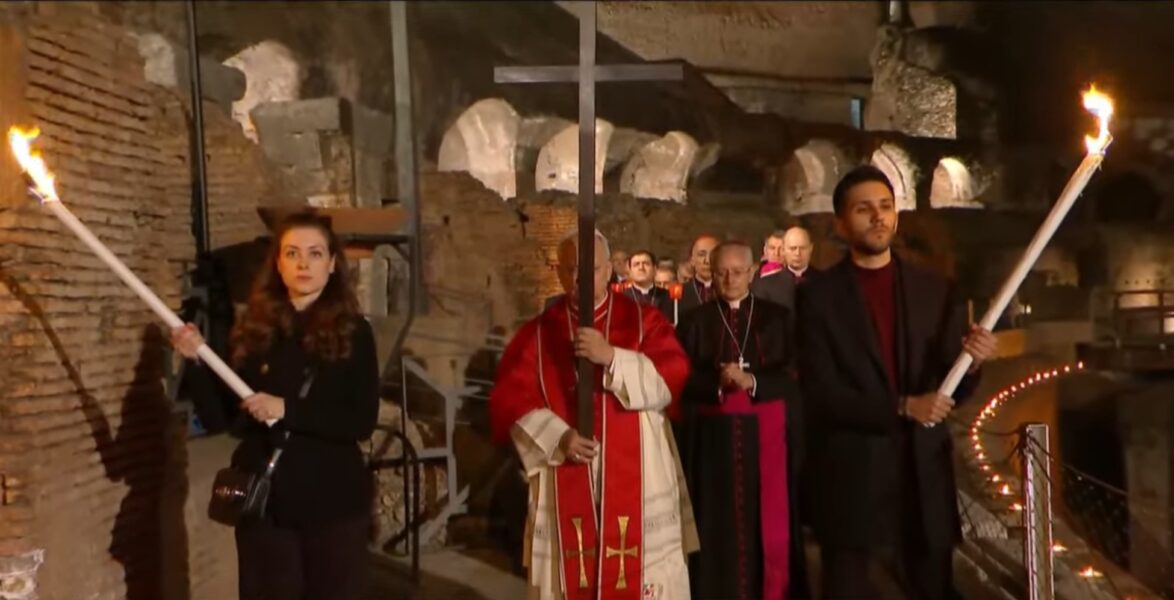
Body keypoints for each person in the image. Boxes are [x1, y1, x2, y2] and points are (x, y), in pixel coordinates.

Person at [796, 166, 997, 600]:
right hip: (852, 476)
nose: (878, 217)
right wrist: (902, 406)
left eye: (886, 207)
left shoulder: (935, 289)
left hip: (922, 478)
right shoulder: (817, 297)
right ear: (840, 223)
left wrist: (972, 363)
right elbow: (820, 393)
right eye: (864, 209)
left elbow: (951, 388)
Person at [171, 211, 379, 599]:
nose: (303, 263)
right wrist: (197, 362)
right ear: (278, 264)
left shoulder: (355, 332)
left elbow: (360, 420)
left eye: (315, 254)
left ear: (332, 264)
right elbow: (224, 421)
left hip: (332, 504)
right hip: (266, 506)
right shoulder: (256, 331)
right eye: (292, 253)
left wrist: (287, 410)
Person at [490, 229, 695, 600]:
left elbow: (672, 378)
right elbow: (511, 400)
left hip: (638, 473)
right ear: (558, 272)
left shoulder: (644, 320)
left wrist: (613, 357)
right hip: (565, 467)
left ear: (610, 269)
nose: (582, 280)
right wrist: (558, 437)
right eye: (571, 270)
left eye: (594, 269)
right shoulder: (538, 333)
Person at [676, 241, 809, 600]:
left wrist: (754, 382)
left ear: (752, 272)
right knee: (714, 528)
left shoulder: (778, 318)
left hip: (767, 443)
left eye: (737, 271)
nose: (729, 278)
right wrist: (715, 385)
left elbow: (797, 373)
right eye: (721, 272)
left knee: (768, 528)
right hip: (711, 446)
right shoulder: (693, 321)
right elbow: (677, 378)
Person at [752, 227, 816, 313]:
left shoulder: (825, 281)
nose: (797, 253)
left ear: (810, 248)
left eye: (802, 248)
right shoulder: (764, 284)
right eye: (793, 248)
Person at [677, 234, 719, 317]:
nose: (707, 261)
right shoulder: (678, 293)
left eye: (712, 255)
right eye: (701, 254)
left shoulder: (730, 291)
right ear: (692, 260)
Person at [625, 250, 673, 317]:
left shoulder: (667, 296)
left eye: (646, 264)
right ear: (630, 271)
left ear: (654, 269)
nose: (641, 267)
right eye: (636, 264)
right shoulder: (622, 297)